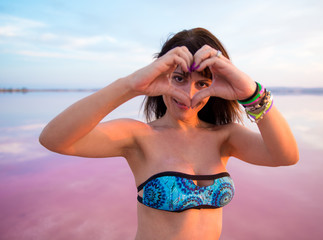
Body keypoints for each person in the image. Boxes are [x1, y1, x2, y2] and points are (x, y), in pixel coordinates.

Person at [39, 27, 299, 240]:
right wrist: (131, 85)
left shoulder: (225, 137)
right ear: (161, 75)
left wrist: (251, 93)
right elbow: (54, 139)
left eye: (202, 83)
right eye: (178, 79)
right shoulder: (138, 136)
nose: (189, 94)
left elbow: (286, 156)